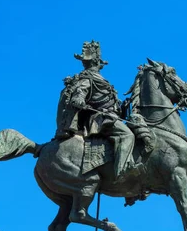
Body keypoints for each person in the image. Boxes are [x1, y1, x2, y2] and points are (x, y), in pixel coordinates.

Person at [55, 40, 144, 181]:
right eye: (96, 62)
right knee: (127, 135)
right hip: (100, 119)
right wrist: (79, 100)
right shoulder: (87, 78)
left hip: (110, 116)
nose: (98, 64)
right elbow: (79, 94)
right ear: (96, 62)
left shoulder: (99, 78)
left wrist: (123, 106)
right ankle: (123, 171)